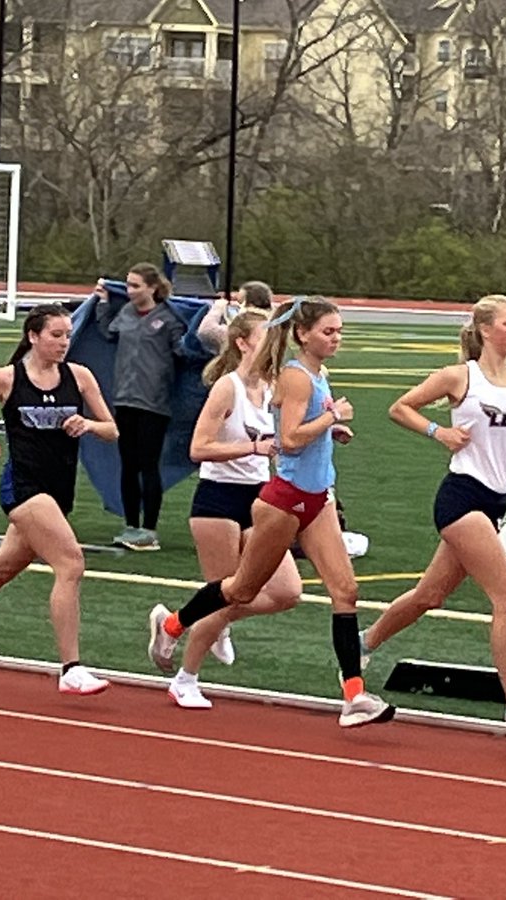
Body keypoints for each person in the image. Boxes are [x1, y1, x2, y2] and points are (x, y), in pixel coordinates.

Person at [147, 296, 394, 727]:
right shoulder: (295, 378)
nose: (336, 339)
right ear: (302, 334)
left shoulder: (317, 374)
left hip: (318, 498)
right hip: (283, 501)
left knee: (346, 590)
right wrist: (330, 417)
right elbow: (292, 439)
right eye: (327, 331)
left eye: (339, 332)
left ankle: (354, 696)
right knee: (240, 590)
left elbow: (305, 434)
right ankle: (172, 625)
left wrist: (333, 428)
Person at [359, 294, 506, 728]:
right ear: (486, 330)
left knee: (430, 595)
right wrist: (439, 432)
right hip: (462, 499)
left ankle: (363, 643)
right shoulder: (459, 377)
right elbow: (399, 407)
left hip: (497, 503)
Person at [0, 304, 119, 695]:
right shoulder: (7, 378)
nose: (64, 343)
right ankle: (71, 668)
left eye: (67, 335)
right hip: (23, 487)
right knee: (71, 563)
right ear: (34, 336)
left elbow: (112, 430)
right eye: (56, 335)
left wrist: (89, 424)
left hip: (59, 490)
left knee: (1, 570)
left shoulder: (79, 377)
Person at [152, 310, 305, 709]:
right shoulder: (227, 387)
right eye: (265, 337)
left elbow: (285, 439)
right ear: (241, 343)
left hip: (259, 497)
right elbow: (198, 449)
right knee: (225, 596)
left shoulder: (273, 386)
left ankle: (175, 622)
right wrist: (252, 448)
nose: (275, 346)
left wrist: (327, 426)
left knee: (287, 591)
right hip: (218, 497)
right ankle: (186, 679)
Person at [94, 264, 187, 551]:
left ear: (152, 287)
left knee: (148, 466)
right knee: (128, 466)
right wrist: (102, 303)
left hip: (154, 404)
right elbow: (108, 332)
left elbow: (186, 350)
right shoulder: (126, 313)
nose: (131, 291)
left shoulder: (169, 319)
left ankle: (150, 530)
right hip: (124, 399)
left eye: (136, 286)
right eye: (128, 285)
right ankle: (130, 526)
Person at [196, 281, 274, 355]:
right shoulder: (277, 326)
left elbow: (205, 331)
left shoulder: (239, 331)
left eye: (239, 301)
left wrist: (217, 307)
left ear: (248, 305)